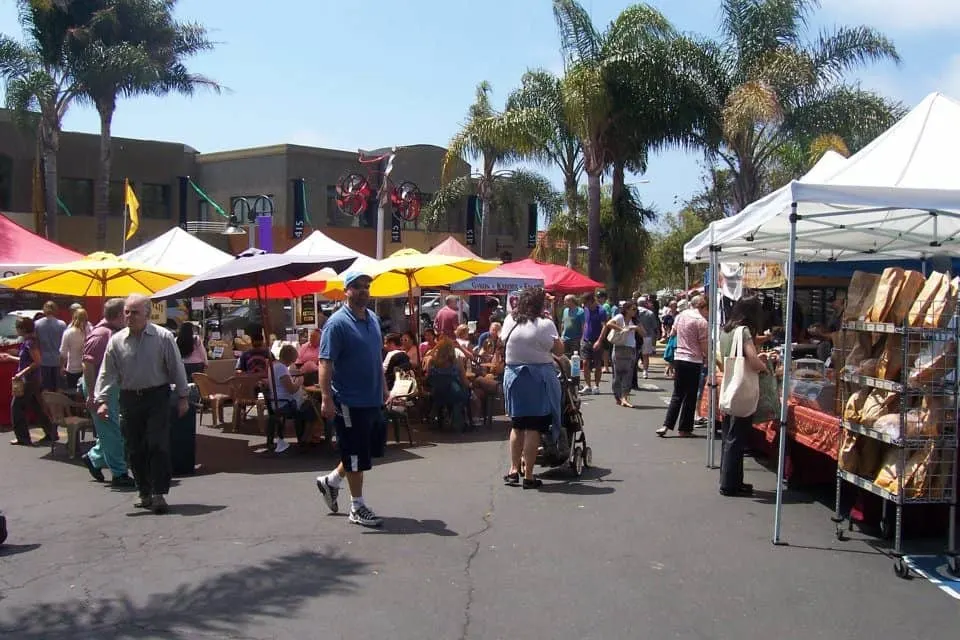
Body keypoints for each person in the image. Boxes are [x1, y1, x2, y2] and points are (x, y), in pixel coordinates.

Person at [95, 294, 190, 515]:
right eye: (126, 312)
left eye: (134, 312)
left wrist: (184, 396)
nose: (129, 316)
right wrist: (101, 400)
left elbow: (176, 367)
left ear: (147, 313)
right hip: (129, 397)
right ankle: (143, 491)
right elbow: (107, 372)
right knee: (134, 447)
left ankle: (158, 493)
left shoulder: (162, 337)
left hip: (157, 396)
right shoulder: (116, 340)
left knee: (157, 444)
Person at [314, 272, 388, 528]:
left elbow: (375, 357)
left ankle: (331, 481)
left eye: (366, 287)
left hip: (372, 398)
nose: (363, 291)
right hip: (348, 400)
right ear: (346, 291)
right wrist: (326, 398)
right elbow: (325, 362)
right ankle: (357, 507)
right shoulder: (337, 324)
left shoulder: (374, 319)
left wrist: (385, 387)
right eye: (357, 287)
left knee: (362, 450)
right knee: (355, 454)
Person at [501, 287, 564, 490]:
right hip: (537, 378)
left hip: (514, 377)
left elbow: (503, 341)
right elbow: (559, 350)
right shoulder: (545, 324)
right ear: (540, 304)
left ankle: (513, 470)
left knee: (517, 425)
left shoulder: (510, 321)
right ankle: (528, 475)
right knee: (533, 427)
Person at [717, 296, 768, 497]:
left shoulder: (727, 330)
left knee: (729, 436)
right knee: (737, 438)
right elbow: (753, 360)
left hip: (730, 385)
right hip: (742, 388)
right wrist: (764, 366)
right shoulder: (744, 331)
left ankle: (732, 480)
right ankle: (730, 484)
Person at [80, 298, 133, 486]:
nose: (130, 317)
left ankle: (94, 458)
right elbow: (87, 364)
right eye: (128, 313)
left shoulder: (111, 333)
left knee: (112, 430)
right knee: (112, 432)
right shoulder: (102, 335)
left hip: (109, 388)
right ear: (120, 315)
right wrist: (93, 395)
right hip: (101, 389)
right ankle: (119, 473)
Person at [657, 295, 709, 437]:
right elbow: (704, 345)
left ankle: (666, 425)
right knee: (690, 395)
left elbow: (673, 333)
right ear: (703, 307)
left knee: (677, 394)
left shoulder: (681, 316)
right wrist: (709, 358)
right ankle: (684, 428)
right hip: (694, 360)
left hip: (679, 357)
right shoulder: (701, 322)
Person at [1, 316, 57, 445]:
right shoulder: (28, 342)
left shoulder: (31, 342)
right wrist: (10, 357)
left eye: (17, 328)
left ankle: (23, 437)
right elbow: (26, 361)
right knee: (36, 406)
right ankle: (51, 433)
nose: (16, 330)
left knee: (16, 408)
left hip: (29, 379)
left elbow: (37, 362)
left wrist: (21, 373)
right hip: (32, 379)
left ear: (22, 329)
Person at [270, 344, 319, 452]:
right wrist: (300, 381)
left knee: (307, 406)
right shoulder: (282, 368)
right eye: (292, 360)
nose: (293, 362)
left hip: (277, 401)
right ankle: (304, 439)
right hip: (285, 404)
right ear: (289, 358)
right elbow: (291, 389)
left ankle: (303, 438)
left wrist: (296, 374)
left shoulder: (274, 366)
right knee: (313, 409)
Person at [602, 300, 643, 408]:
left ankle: (624, 397)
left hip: (631, 349)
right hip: (619, 348)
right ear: (626, 310)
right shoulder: (620, 317)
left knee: (628, 374)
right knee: (617, 375)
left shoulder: (635, 320)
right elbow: (609, 323)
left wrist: (637, 328)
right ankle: (618, 396)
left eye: (636, 309)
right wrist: (623, 329)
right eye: (633, 309)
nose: (635, 311)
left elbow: (644, 333)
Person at [35, 300, 66, 391]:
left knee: (45, 389)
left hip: (43, 360)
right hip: (58, 361)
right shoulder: (62, 324)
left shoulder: (37, 324)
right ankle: (57, 405)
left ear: (44, 310)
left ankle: (46, 405)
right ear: (56, 310)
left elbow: (36, 343)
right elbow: (64, 344)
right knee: (58, 388)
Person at [580, 292, 608, 395]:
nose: (584, 305)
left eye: (586, 303)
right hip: (586, 340)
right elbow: (586, 324)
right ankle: (588, 386)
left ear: (591, 301)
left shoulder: (601, 310)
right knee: (585, 363)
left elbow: (605, 326)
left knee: (597, 365)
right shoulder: (586, 309)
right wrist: (583, 337)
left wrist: (599, 341)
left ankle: (596, 385)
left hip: (597, 340)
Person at [60, 307, 90, 390]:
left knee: (72, 393)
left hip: (72, 368)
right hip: (87, 368)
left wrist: (62, 366)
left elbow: (63, 353)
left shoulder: (68, 333)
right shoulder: (90, 331)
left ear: (74, 317)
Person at [635, 297, 659, 380]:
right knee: (645, 356)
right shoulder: (650, 313)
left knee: (634, 354)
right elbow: (655, 327)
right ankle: (645, 371)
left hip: (635, 336)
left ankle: (634, 369)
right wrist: (656, 337)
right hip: (647, 336)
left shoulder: (633, 312)